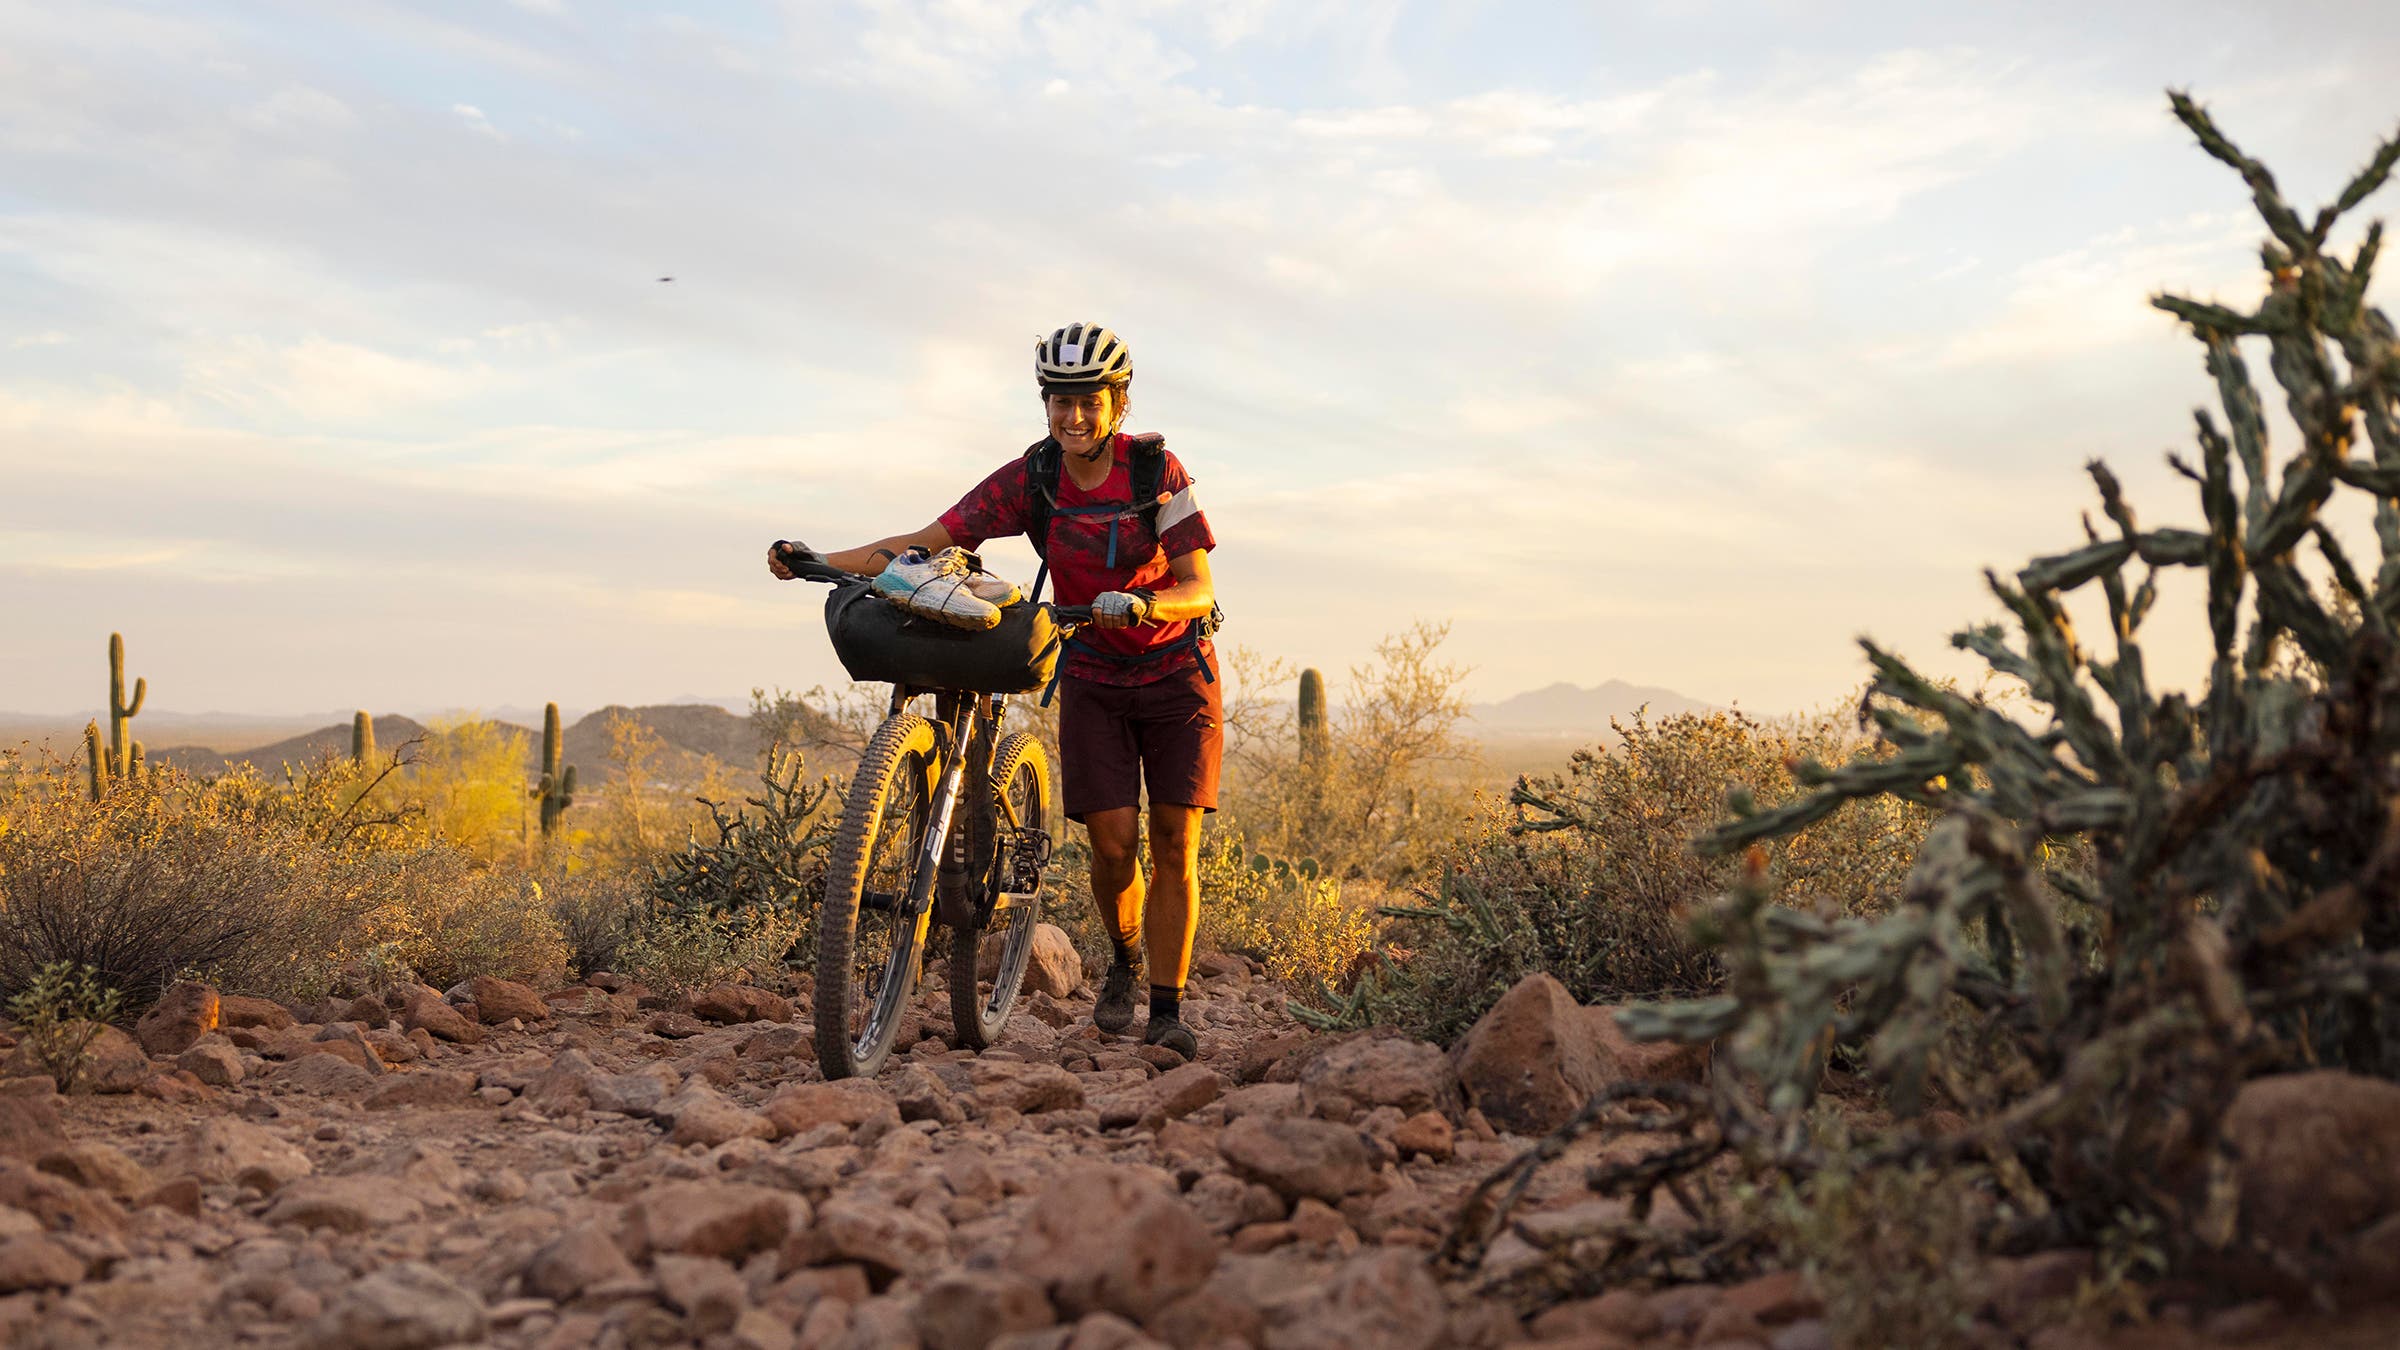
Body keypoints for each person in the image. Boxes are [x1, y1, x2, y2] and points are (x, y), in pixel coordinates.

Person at [768, 322, 1220, 1061]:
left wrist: (1144, 603)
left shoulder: (1156, 474)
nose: (1074, 417)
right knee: (1113, 850)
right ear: (1045, 404)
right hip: (1095, 676)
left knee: (1174, 841)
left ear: (1119, 402)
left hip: (1176, 672)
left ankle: (1165, 1008)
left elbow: (1198, 585)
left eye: (1089, 402)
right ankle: (1126, 957)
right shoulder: (1034, 477)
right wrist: (821, 557)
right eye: (1059, 402)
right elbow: (930, 539)